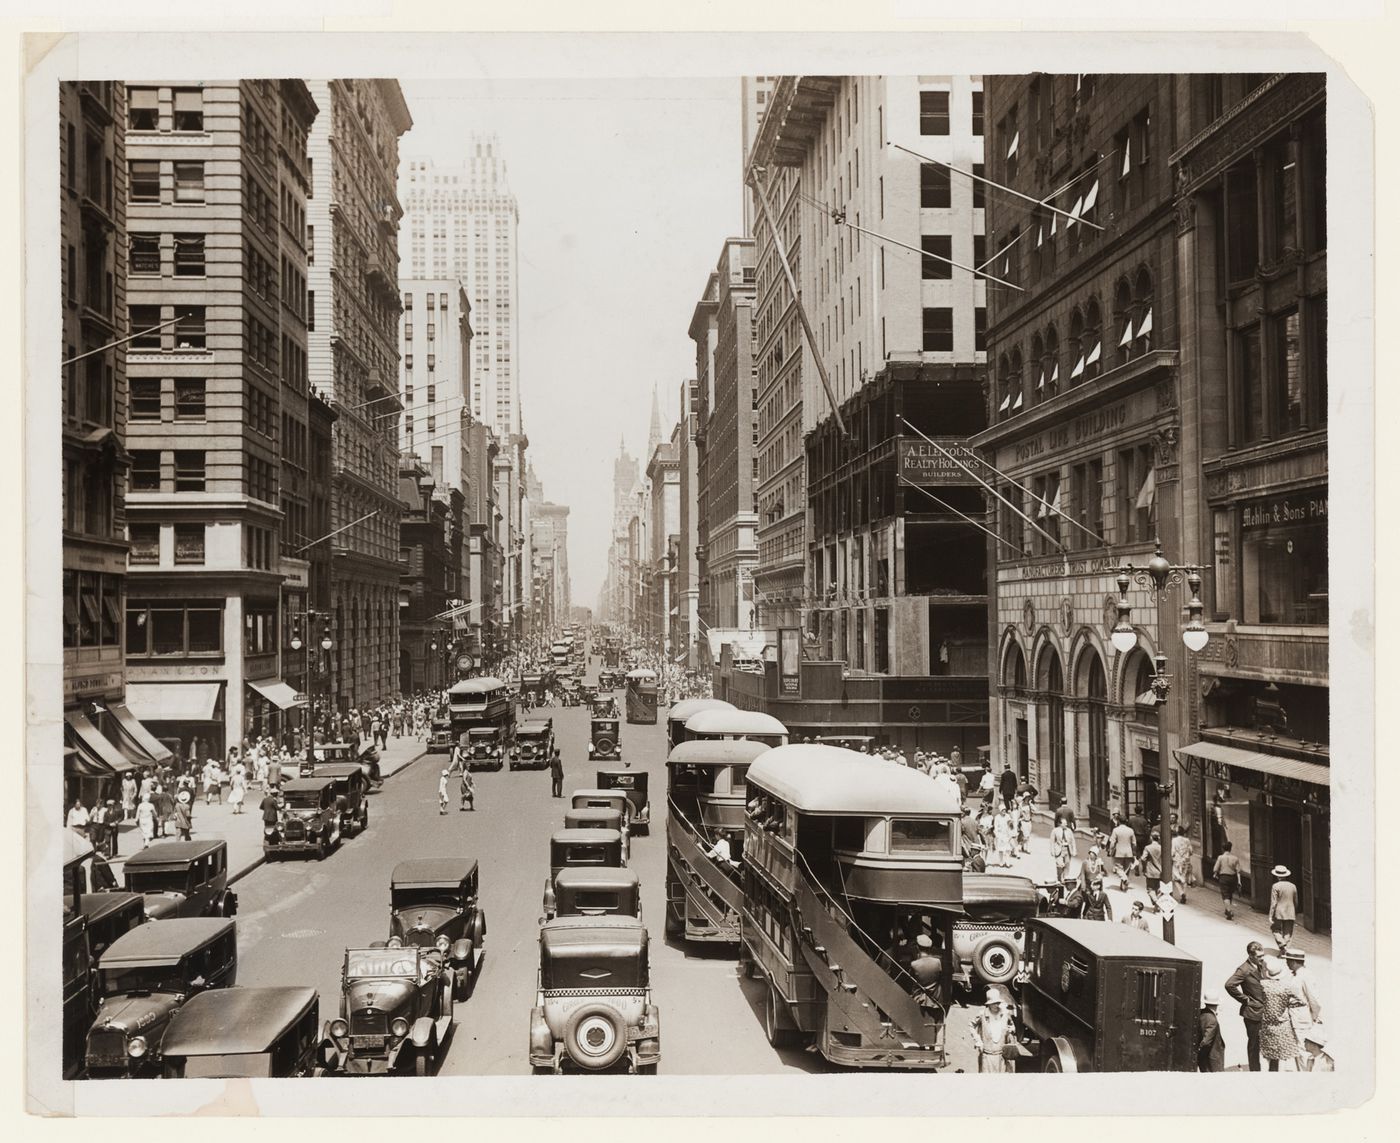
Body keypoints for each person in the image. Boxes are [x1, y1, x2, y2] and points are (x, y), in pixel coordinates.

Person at [1225, 940, 1268, 1071]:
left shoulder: (1261, 965)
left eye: (1262, 955)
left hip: (1264, 1011)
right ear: (1250, 955)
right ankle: (1255, 1070)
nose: (1262, 959)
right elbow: (1229, 985)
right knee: (1254, 1044)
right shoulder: (1243, 969)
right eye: (1259, 956)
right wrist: (1245, 1000)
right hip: (1252, 1013)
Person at [1259, 957, 1303, 1071]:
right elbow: (1302, 1001)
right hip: (1283, 1024)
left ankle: (1263, 1076)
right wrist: (1289, 1005)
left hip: (1267, 1023)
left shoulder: (1263, 985)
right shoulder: (1287, 987)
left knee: (1265, 1052)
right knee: (1282, 1055)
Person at [1282, 948, 1323, 1060]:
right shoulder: (1294, 975)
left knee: (1303, 1049)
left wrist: (1314, 1017)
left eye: (1288, 961)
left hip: (1302, 1018)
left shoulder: (1306, 976)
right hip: (1294, 1017)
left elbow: (1314, 1000)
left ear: (1294, 962)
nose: (1286, 963)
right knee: (1297, 1049)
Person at [969, 987, 1016, 1073]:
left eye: (998, 1003)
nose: (996, 1005)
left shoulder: (1005, 1014)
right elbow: (971, 1025)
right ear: (988, 1004)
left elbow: (1012, 1026)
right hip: (987, 1055)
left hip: (1001, 1056)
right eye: (993, 1003)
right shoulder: (982, 1014)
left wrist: (1011, 1030)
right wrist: (978, 1040)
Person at [1269, 865, 1299, 949]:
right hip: (1290, 911)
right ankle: (1285, 951)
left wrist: (1271, 915)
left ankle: (1282, 944)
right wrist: (1294, 911)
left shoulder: (1275, 886)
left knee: (1275, 929)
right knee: (1288, 933)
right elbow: (1296, 901)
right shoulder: (1293, 886)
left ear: (1277, 876)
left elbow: (1273, 902)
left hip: (1279, 912)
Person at [1213, 841, 1243, 920]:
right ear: (1230, 848)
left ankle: (1229, 911)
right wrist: (1239, 881)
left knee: (1225, 894)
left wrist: (1216, 873)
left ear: (1223, 849)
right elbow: (1238, 871)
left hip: (1224, 878)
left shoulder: (1220, 857)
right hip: (1233, 878)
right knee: (1230, 893)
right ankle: (1227, 909)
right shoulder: (1235, 858)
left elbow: (1215, 869)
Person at [1197, 991, 1226, 1072]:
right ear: (1217, 1004)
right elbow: (1206, 1042)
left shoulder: (1202, 1014)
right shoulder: (1212, 1019)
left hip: (1205, 1060)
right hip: (1213, 1060)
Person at [1109, 814, 1137, 891]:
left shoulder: (1116, 830)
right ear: (1126, 821)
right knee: (1126, 869)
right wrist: (1134, 853)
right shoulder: (1130, 830)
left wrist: (1111, 849)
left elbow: (1112, 842)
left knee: (1118, 868)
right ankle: (1124, 885)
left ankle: (1124, 879)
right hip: (1128, 851)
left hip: (1119, 851)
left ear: (1118, 821)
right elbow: (1134, 843)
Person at [1141, 829, 1164, 909]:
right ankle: (1157, 904)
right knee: (1158, 889)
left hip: (1150, 871)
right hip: (1160, 871)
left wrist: (1144, 868)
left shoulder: (1148, 847)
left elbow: (1143, 858)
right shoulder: (1162, 848)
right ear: (1159, 838)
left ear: (1151, 838)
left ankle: (1156, 902)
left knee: (1150, 889)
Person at [1051, 818, 1077, 883]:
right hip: (1059, 849)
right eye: (1064, 823)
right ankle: (1059, 878)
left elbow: (1073, 841)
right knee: (1060, 865)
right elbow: (1052, 841)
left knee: (1067, 864)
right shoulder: (1055, 831)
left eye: (1066, 823)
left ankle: (1065, 878)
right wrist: (1052, 851)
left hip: (1067, 849)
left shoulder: (1069, 831)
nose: (1066, 824)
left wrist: (1074, 850)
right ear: (1060, 824)